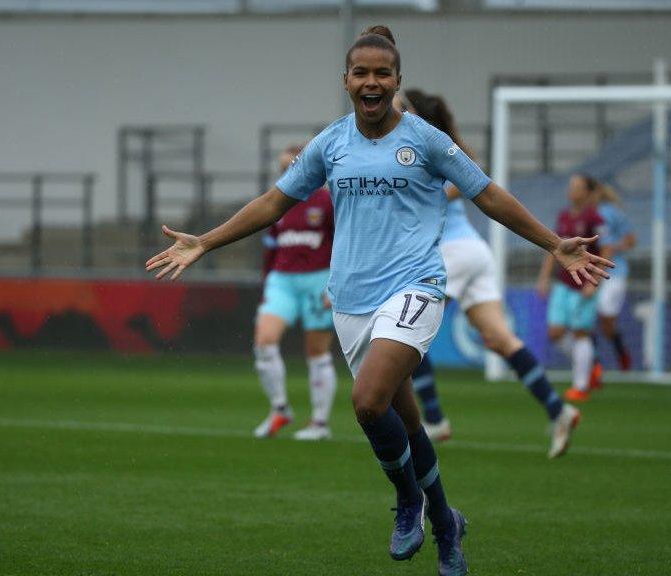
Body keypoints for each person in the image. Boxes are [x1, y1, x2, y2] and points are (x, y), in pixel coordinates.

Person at [146, 26, 611, 575]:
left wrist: (554, 244)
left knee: (368, 402)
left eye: (382, 73)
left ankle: (408, 500)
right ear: (345, 80)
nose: (372, 82)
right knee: (407, 424)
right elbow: (273, 203)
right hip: (350, 301)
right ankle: (446, 526)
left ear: (397, 81)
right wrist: (205, 239)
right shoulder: (331, 144)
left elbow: (488, 194)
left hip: (415, 287)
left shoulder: (428, 140)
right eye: (361, 73)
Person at [395, 88, 580, 457]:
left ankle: (434, 419)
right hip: (474, 253)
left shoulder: (427, 152)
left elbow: (448, 190)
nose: (392, 114)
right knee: (500, 339)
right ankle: (559, 410)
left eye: (400, 108)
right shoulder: (434, 150)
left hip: (450, 254)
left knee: (406, 332)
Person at [251, 144, 337, 441]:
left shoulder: (327, 201)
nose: (285, 173)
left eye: (291, 167)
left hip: (319, 280)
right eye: (282, 168)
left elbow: (344, 245)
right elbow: (270, 250)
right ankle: (280, 409)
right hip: (282, 281)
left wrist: (336, 285)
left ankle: (320, 423)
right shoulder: (277, 204)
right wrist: (267, 285)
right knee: (264, 341)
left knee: (316, 351)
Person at [537, 174, 605, 403]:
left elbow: (605, 251)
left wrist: (593, 281)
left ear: (587, 192)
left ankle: (581, 385)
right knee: (555, 333)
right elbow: (554, 248)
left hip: (584, 282)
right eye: (570, 185)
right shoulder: (564, 216)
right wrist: (544, 277)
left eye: (576, 186)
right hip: (563, 283)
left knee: (579, 332)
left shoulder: (595, 218)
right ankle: (590, 364)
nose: (571, 190)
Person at [592, 181, 636, 373]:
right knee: (591, 320)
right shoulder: (594, 213)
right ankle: (595, 366)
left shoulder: (606, 213)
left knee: (605, 321)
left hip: (612, 273)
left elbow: (630, 241)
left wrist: (611, 248)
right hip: (597, 272)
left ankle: (620, 355)